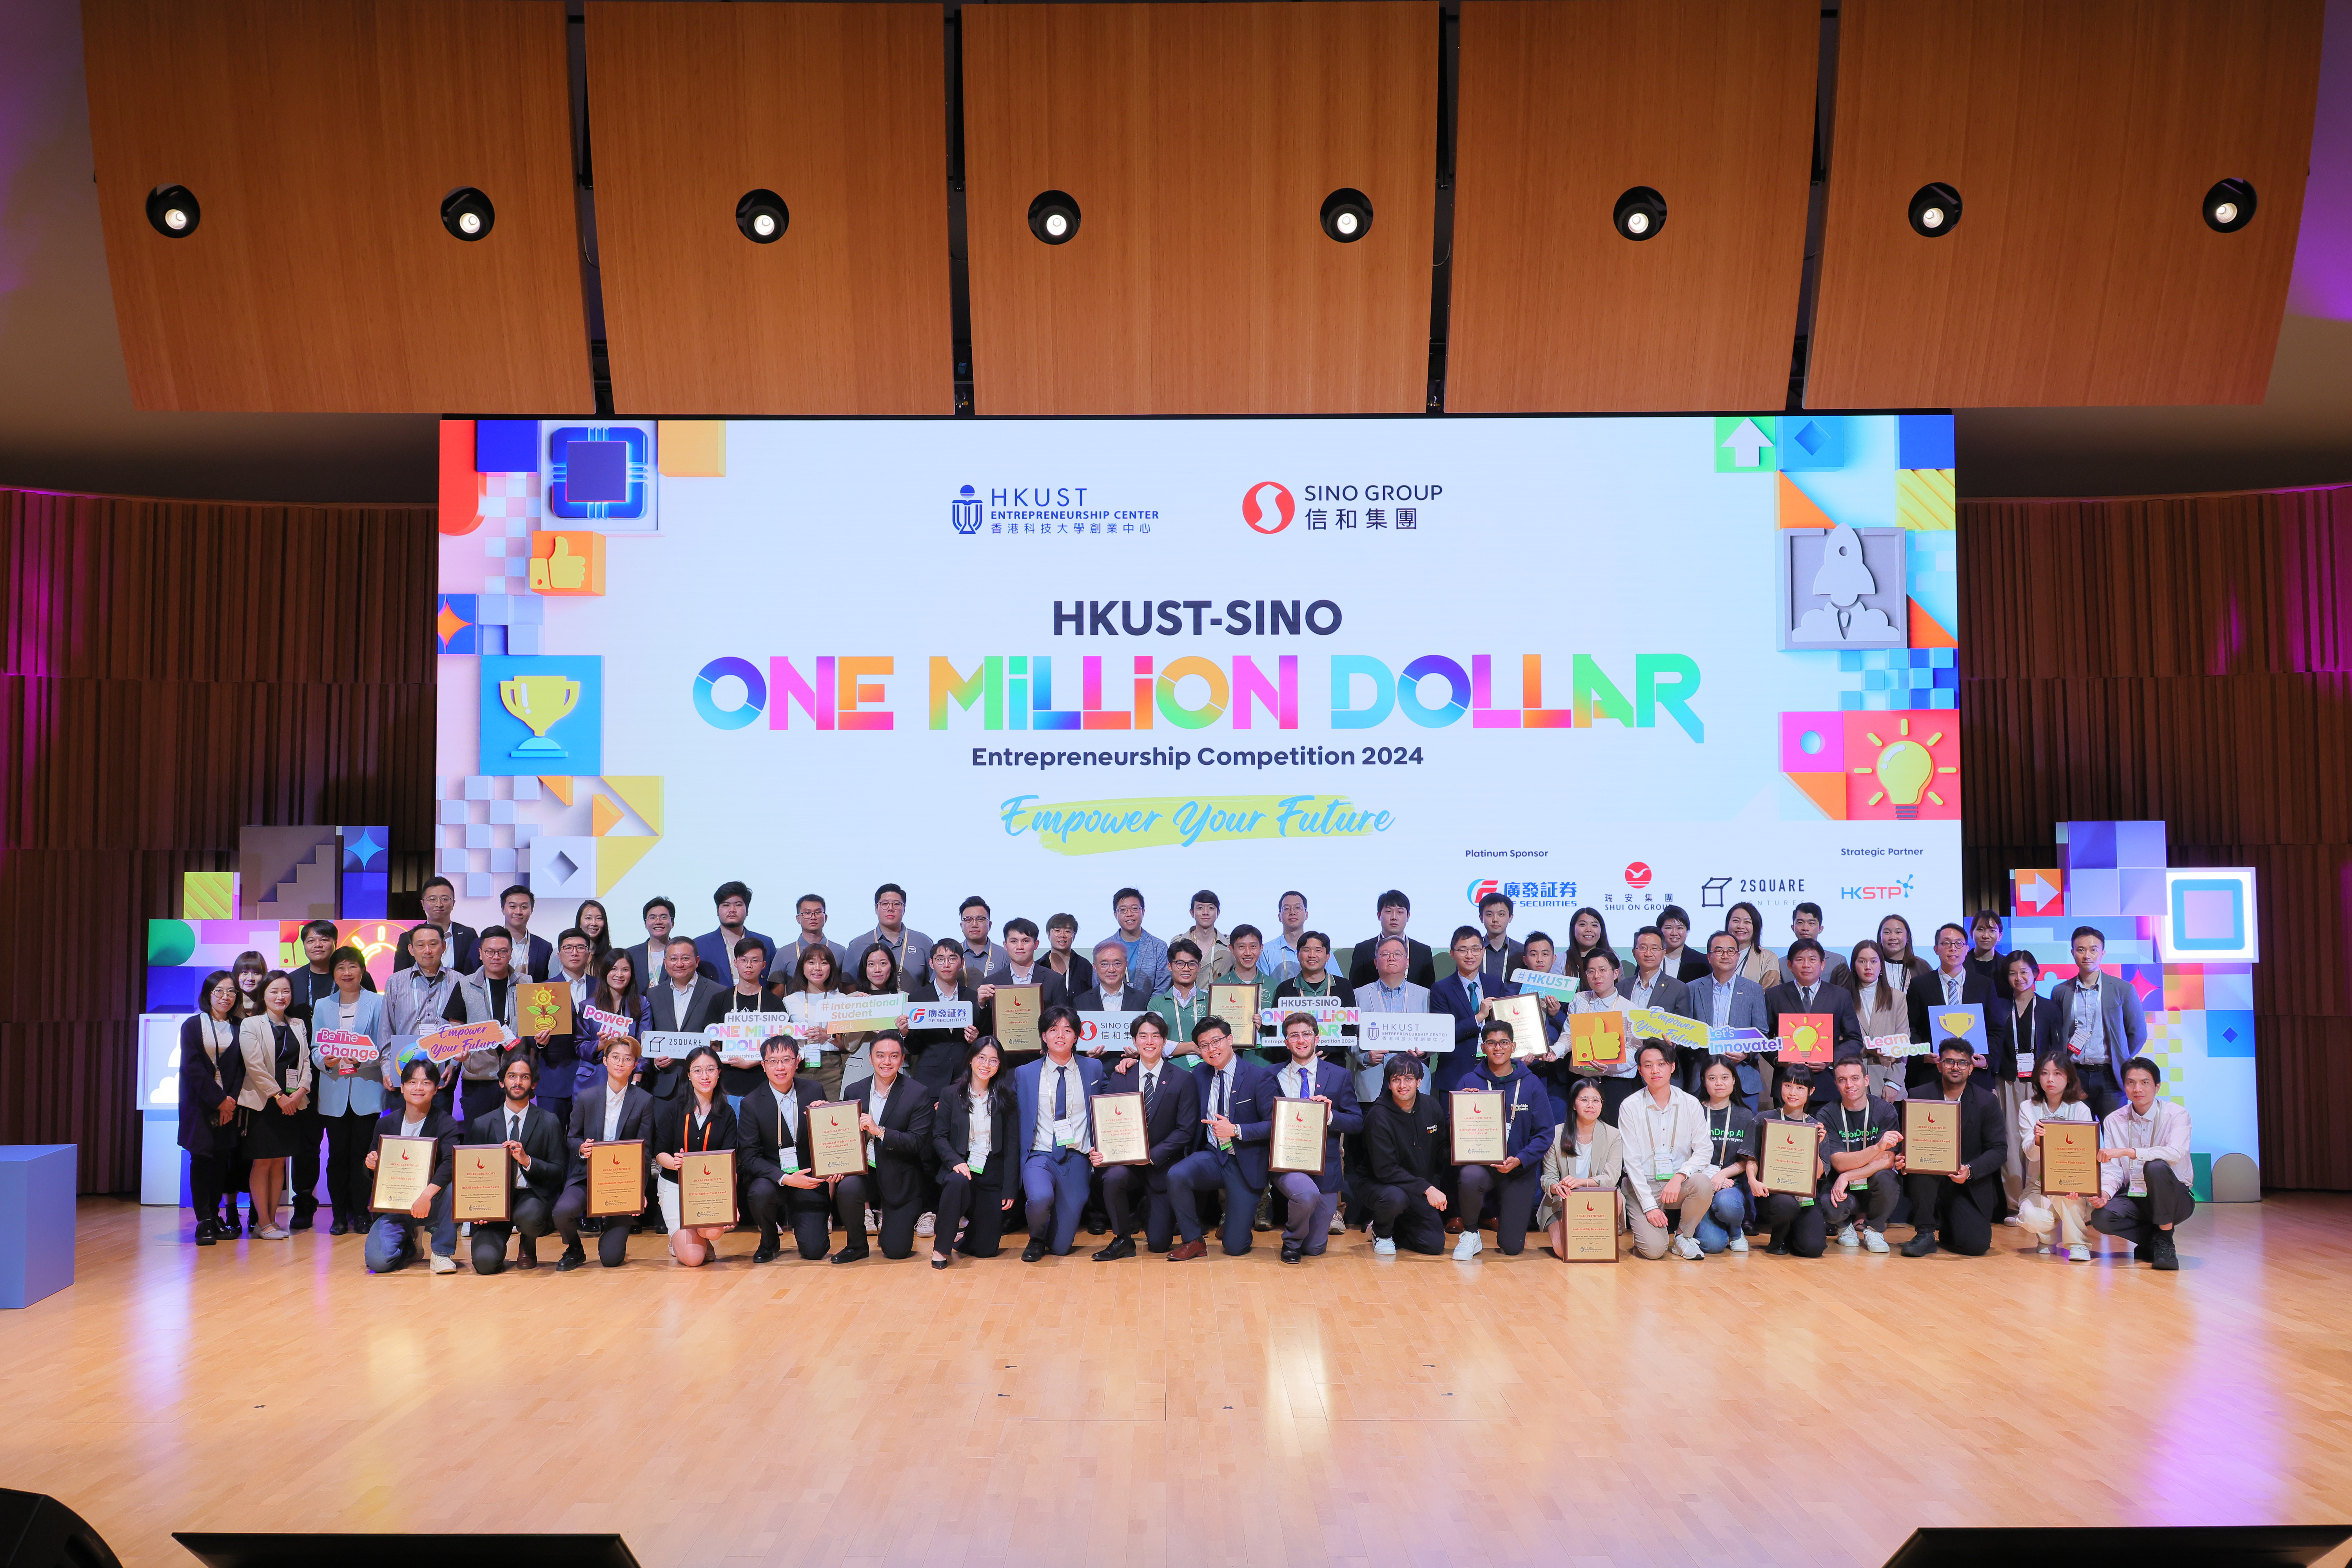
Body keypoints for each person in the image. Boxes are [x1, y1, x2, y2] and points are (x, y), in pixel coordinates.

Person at [1166, 1018, 1277, 1259]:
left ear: (1230, 1040)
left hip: (1244, 1161)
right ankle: (1194, 1241)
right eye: (1204, 1045)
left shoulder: (1259, 1076)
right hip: (1214, 1156)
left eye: (1216, 1041)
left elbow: (1274, 1125)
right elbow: (1169, 1078)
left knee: (1235, 1247)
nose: (1211, 1049)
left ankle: (1236, 1224)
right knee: (1177, 1175)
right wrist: (1133, 1063)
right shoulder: (1200, 1074)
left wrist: (1236, 1130)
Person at [1090, 1014, 1198, 1259]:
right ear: (1134, 1041)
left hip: (1162, 1165)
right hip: (1128, 1163)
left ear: (1164, 1041)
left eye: (1156, 1036)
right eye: (1143, 1036)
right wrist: (1100, 1149)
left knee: (1159, 1245)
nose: (1149, 1042)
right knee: (1113, 1178)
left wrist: (1150, 1157)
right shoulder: (1122, 1075)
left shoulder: (1183, 1079)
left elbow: (1185, 1131)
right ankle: (1123, 1238)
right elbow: (1108, 1121)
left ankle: (1146, 1209)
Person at [1449, 1021, 1554, 1259]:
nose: (1498, 1048)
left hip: (1517, 1167)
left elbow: (1545, 1132)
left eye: (1504, 1042)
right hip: (1482, 1165)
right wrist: (1461, 1107)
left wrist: (1520, 1159)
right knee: (1469, 1176)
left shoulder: (1531, 1084)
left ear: (1513, 1046)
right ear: (1484, 1047)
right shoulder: (1469, 1081)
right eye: (1492, 1043)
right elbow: (1451, 1127)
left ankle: (1507, 1233)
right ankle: (1471, 1234)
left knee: (1512, 1247)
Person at [1264, 1013, 1363, 1264]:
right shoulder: (1271, 1075)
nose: (1300, 1040)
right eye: (1294, 1035)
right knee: (1306, 1195)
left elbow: (1357, 1122)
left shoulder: (1340, 1075)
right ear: (1286, 1043)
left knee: (1316, 1248)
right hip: (1288, 1161)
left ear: (1317, 1038)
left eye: (1306, 1034)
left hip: (1325, 1167)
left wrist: (1330, 1116)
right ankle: (1292, 1242)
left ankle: (1305, 1240)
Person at [307, 945, 390, 1236]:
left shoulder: (378, 1003)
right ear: (333, 973)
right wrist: (324, 1061)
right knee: (337, 1157)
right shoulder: (322, 1005)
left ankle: (362, 1213)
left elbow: (385, 1047)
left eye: (352, 967)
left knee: (363, 1156)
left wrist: (363, 1057)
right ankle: (339, 1216)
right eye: (340, 968)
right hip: (334, 1092)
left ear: (362, 970)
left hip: (368, 1090)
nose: (347, 973)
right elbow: (315, 1049)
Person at [1897, 1037, 2007, 1258]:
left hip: (1965, 1182)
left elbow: (1999, 1150)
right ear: (1939, 1066)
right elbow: (1907, 1141)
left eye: (1962, 1063)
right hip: (1928, 1178)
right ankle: (1926, 1233)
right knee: (1920, 1162)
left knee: (1975, 1247)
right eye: (1949, 1062)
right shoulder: (1919, 1095)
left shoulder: (1987, 1102)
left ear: (1971, 1068)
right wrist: (1902, 1156)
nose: (1955, 1067)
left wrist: (1970, 1169)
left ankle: (1949, 1226)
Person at [555, 1034, 657, 1270]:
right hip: (587, 1176)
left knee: (611, 1259)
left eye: (627, 1059)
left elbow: (645, 1151)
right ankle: (574, 1249)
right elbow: (571, 1138)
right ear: (605, 1061)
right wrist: (581, 1148)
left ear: (635, 1065)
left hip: (622, 1182)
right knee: (562, 1212)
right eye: (615, 1057)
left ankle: (609, 1232)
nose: (621, 1063)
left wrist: (638, 1191)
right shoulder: (587, 1097)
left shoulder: (644, 1101)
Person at [1010, 1005, 1105, 1260]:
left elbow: (1107, 1107)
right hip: (1039, 1154)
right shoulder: (1026, 1073)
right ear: (1044, 1036)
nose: (1060, 1036)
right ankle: (1037, 1238)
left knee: (1062, 1247)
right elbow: (1007, 1109)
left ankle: (1053, 1235)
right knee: (1040, 1198)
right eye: (1053, 1030)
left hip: (1077, 1157)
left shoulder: (1093, 1069)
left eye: (1067, 1030)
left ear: (1077, 1036)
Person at [829, 1031, 931, 1263]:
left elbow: (917, 1142)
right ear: (870, 1058)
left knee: (896, 1251)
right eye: (881, 1056)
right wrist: (823, 1113)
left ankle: (894, 1228)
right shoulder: (854, 1090)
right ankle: (857, 1245)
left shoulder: (918, 1093)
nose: (887, 1062)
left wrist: (880, 1131)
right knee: (847, 1188)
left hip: (900, 1175)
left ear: (902, 1058)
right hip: (866, 1170)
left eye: (894, 1056)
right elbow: (843, 1132)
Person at [2090, 1056, 2193, 1271]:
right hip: (2135, 1195)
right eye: (2131, 1083)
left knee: (2156, 1167)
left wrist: (2129, 1152)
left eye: (2145, 1082)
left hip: (2176, 1198)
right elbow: (2113, 1169)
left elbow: (2175, 1153)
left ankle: (2165, 1240)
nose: (2137, 1089)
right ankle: (2151, 1240)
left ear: (2157, 1087)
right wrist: (2106, 1193)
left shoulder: (2177, 1114)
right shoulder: (2114, 1120)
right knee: (2102, 1217)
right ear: (2124, 1086)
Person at [738, 1034, 835, 1263]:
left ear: (797, 1061)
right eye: (772, 1061)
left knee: (815, 1252)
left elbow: (828, 1137)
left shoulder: (814, 1090)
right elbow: (750, 1157)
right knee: (759, 1192)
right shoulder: (751, 1103)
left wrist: (829, 1113)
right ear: (763, 1066)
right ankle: (769, 1240)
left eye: (786, 1060)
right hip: (773, 1178)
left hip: (808, 1178)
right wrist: (786, 1178)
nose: (780, 1067)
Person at [463, 1055, 565, 1272]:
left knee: (530, 1217)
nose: (517, 1082)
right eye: (512, 1076)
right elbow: (468, 1173)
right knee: (485, 1264)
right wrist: (475, 1209)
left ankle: (528, 1243)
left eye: (525, 1077)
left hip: (530, 1197)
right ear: (502, 1082)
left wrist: (528, 1161)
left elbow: (559, 1172)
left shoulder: (549, 1121)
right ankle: (496, 1246)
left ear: (534, 1084)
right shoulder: (482, 1124)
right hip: (492, 1201)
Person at [361, 1057, 461, 1274]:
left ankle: (441, 1253)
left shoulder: (446, 1122)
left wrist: (426, 1196)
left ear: (436, 1089)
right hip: (395, 1205)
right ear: (403, 1087)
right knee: (378, 1263)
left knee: (455, 1188)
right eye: (412, 1082)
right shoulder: (385, 1124)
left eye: (426, 1083)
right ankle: (409, 1242)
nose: (418, 1088)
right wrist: (371, 1165)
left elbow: (451, 1164)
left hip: (432, 1204)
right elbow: (372, 1170)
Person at [1617, 1041, 1715, 1261]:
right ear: (1640, 1071)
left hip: (1675, 1185)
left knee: (1702, 1183)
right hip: (1641, 1186)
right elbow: (1631, 1161)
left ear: (1672, 1067)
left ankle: (1684, 1237)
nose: (1655, 1071)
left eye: (1661, 1064)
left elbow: (1704, 1149)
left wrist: (1680, 1176)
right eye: (1648, 1065)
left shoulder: (1690, 1103)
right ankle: (1646, 1228)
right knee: (1654, 1251)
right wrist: (1650, 1207)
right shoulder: (1630, 1106)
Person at [236, 972, 311, 1241]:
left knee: (281, 1162)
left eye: (286, 991)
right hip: (264, 1104)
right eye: (274, 991)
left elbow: (306, 1064)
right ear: (264, 995)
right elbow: (254, 1066)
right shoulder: (251, 1025)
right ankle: (263, 1222)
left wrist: (299, 1093)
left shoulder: (298, 1024)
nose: (281, 997)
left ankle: (272, 1221)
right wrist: (279, 1096)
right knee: (263, 1162)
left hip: (293, 1103)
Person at [932, 1037, 1019, 1266]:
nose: (986, 1065)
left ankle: (965, 1237)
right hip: (962, 1165)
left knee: (986, 1250)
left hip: (992, 1171)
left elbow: (1012, 1145)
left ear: (1000, 1066)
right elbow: (939, 1137)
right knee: (957, 1182)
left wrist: (1010, 1187)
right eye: (981, 1058)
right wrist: (954, 1162)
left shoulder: (1006, 1096)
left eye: (993, 1060)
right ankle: (941, 1247)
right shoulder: (950, 1094)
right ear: (971, 1059)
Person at [648, 1045, 735, 1267]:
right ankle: (678, 1241)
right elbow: (660, 1153)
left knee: (715, 1232)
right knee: (693, 1260)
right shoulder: (673, 1108)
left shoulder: (727, 1113)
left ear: (719, 1072)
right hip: (675, 1185)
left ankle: (701, 1236)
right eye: (697, 1070)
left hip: (709, 1188)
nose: (704, 1076)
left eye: (710, 1069)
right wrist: (673, 1162)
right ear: (688, 1074)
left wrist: (731, 1204)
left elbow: (730, 1163)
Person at [2049, 926, 2146, 1120]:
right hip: (2075, 1075)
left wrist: (2122, 1059)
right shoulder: (2061, 991)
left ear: (2103, 953)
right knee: (2077, 1139)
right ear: (2073, 953)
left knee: (2114, 1137)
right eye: (2081, 950)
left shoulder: (2123, 989)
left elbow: (2138, 1034)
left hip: (2111, 1076)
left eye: (2094, 950)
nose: (2087, 955)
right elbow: (2056, 1034)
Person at [1990, 949, 2060, 1217]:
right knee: (2009, 1140)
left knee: (2037, 1139)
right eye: (2012, 973)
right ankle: (2014, 1204)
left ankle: (2038, 1201)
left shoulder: (2050, 1008)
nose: (2018, 978)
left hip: (2041, 1083)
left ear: (2036, 974)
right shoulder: (1998, 1005)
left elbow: (2056, 1048)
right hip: (2006, 1081)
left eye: (2024, 972)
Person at [1357, 1054, 1447, 1256]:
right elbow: (1385, 1170)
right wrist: (1427, 1188)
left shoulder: (1432, 1106)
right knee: (1394, 1198)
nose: (1402, 1085)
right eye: (1396, 1080)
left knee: (1434, 1245)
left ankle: (1393, 1227)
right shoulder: (1378, 1116)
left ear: (1419, 1082)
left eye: (1408, 1079)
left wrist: (1467, 1150)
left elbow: (1442, 1149)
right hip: (1382, 1185)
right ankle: (1381, 1233)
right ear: (1389, 1085)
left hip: (1416, 1187)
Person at [179, 971, 245, 1245]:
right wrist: (218, 1100)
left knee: (221, 1161)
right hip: (199, 1105)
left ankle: (216, 1216)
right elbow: (192, 1068)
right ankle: (204, 1220)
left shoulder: (241, 1027)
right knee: (202, 1159)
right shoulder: (193, 1025)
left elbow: (242, 1069)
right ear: (208, 995)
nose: (225, 997)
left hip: (229, 1106)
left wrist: (230, 1101)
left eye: (231, 992)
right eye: (219, 991)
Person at [2016, 1052, 2098, 1261]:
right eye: (2045, 1073)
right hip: (2038, 1185)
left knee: (2067, 1195)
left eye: (2057, 1073)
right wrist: (2037, 1140)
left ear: (2069, 1077)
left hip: (2072, 1183)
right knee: (2029, 1216)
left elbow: (2087, 1155)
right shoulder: (2028, 1108)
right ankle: (2049, 1237)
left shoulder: (2080, 1110)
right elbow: (2030, 1155)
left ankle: (2079, 1244)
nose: (2050, 1080)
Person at [1537, 1076, 1627, 1261]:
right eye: (1584, 1100)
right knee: (1567, 1251)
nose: (1591, 1105)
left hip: (1598, 1199)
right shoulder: (1556, 1134)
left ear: (1602, 1105)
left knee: (1616, 1195)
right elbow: (1548, 1178)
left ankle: (1602, 1230)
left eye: (1596, 1100)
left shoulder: (1613, 1135)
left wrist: (1583, 1182)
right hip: (1563, 1202)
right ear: (1574, 1105)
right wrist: (1556, 1187)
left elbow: (1611, 1178)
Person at [1764, 938, 1863, 1105]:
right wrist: (1780, 1059)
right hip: (1788, 1083)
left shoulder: (1840, 996)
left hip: (1827, 1084)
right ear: (1789, 965)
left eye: (1812, 959)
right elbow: (1764, 1037)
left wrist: (1831, 1059)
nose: (1806, 965)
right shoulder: (1775, 995)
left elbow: (1854, 1039)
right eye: (1800, 960)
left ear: (1823, 964)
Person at [1819, 1057, 1901, 1253]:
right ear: (1836, 1084)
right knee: (1828, 1206)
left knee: (1888, 1179)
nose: (1849, 1085)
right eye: (1842, 1080)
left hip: (1868, 1183)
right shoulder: (1827, 1114)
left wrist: (1848, 1176)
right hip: (1842, 1186)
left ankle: (1875, 1229)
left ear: (1866, 1080)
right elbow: (1839, 1162)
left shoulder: (1885, 1110)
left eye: (1855, 1078)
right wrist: (1877, 1148)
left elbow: (1888, 1160)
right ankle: (1844, 1226)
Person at [1905, 922, 1996, 1093]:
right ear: (1936, 949)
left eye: (1959, 944)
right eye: (1946, 943)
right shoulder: (1920, 985)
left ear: (1967, 949)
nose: (1953, 949)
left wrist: (1987, 1061)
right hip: (1932, 1073)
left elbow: (1995, 1029)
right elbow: (1911, 1027)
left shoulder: (1984, 985)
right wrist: (1922, 1055)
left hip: (1974, 1074)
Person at [1750, 1069, 1828, 1257]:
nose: (1793, 1093)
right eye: (1788, 1086)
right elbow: (1751, 1159)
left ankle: (1795, 1232)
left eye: (1800, 1088)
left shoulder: (1816, 1127)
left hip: (1804, 1197)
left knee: (1813, 1249)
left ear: (1811, 1091)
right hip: (1772, 1195)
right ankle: (1779, 1238)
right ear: (1781, 1087)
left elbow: (1818, 1175)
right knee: (1786, 1205)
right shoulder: (1764, 1119)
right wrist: (1753, 1181)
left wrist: (1817, 1145)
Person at [448, 928, 523, 1122]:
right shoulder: (465, 985)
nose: (496, 957)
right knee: (478, 1142)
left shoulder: (527, 984)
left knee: (514, 1140)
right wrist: (456, 1060)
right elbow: (455, 1030)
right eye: (490, 952)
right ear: (481, 954)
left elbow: (533, 1031)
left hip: (516, 1077)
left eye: (503, 951)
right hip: (478, 1078)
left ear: (511, 953)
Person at [1689, 930, 1769, 1110]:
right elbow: (1687, 1031)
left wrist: (1746, 1054)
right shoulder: (1693, 989)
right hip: (1702, 1074)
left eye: (1731, 951)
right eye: (1719, 951)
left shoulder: (1753, 990)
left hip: (1742, 1076)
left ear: (1738, 956)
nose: (1725, 956)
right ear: (1709, 957)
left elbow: (1762, 1032)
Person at [1352, 933, 1437, 1100]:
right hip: (1373, 1078)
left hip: (1415, 1076)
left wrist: (1425, 1052)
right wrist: (1365, 1056)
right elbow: (1349, 1036)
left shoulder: (1426, 995)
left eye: (1398, 954)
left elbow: (1436, 1035)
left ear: (1407, 962)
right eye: (1385, 954)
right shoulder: (1358, 995)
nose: (1391, 958)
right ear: (1376, 963)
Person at [645, 936, 729, 1101]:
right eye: (673, 959)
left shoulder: (718, 992)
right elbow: (646, 1035)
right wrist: (654, 1061)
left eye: (685, 958)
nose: (679, 964)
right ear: (665, 962)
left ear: (697, 961)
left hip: (705, 1086)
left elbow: (723, 1040)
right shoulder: (653, 994)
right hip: (664, 1087)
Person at [1567, 948, 1641, 1121]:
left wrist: (1610, 1064)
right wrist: (1556, 1051)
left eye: (1603, 970)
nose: (1597, 976)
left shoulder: (1630, 1009)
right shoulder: (1579, 999)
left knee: (1614, 1136)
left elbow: (1635, 1051)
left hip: (1616, 1084)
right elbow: (1568, 1035)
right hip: (1582, 1081)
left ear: (1616, 973)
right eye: (1591, 971)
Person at [1689, 1061, 1755, 1254]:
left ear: (1734, 1081)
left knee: (1727, 1204)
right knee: (1712, 1246)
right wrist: (1707, 1177)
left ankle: (1736, 1232)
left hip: (1730, 1184)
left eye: (1725, 1077)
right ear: (1704, 1081)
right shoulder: (1694, 1111)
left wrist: (1722, 1175)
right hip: (1698, 1183)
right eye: (1712, 1078)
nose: (1719, 1083)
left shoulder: (1745, 1115)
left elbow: (1748, 1159)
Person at [537, 927, 597, 1129]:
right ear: (559, 954)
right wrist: (539, 1042)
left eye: (581, 947)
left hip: (597, 1077)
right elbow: (529, 1035)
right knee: (552, 1143)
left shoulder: (604, 987)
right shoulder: (542, 990)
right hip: (555, 1078)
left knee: (592, 1142)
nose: (575, 952)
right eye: (568, 947)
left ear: (589, 953)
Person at [715, 936, 788, 1103]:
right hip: (727, 1084)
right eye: (744, 960)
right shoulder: (720, 1000)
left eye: (755, 961)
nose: (749, 965)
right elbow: (712, 1041)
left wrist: (754, 1061)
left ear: (763, 965)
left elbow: (783, 1043)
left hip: (764, 1083)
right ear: (736, 963)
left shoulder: (774, 1002)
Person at [906, 939, 982, 1091]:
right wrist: (905, 1034)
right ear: (931, 963)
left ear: (962, 963)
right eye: (940, 959)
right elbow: (915, 1049)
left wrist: (976, 1040)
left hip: (966, 1079)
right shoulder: (918, 998)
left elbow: (985, 1038)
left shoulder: (973, 998)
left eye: (953, 959)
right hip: (930, 1080)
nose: (946, 965)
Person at [781, 944, 851, 1100]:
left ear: (831, 968)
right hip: (799, 1065)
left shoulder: (841, 1000)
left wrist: (828, 1036)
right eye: (811, 963)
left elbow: (847, 1045)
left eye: (824, 963)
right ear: (802, 967)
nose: (817, 968)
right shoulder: (790, 1001)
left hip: (831, 1066)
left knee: (830, 1114)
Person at [1844, 939, 1909, 1104]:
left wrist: (1894, 1083)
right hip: (1851, 1084)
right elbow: (1839, 1043)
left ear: (1881, 965)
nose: (1868, 967)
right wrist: (1867, 1048)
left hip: (1887, 1083)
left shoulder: (1897, 998)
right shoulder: (1842, 998)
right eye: (1862, 961)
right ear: (1854, 965)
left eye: (1874, 961)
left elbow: (1904, 1044)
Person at [1432, 926, 1501, 1070]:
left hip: (1494, 1068)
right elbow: (1444, 1035)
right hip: (1456, 1071)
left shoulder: (1496, 985)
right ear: (1453, 954)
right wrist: (1479, 1017)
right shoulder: (1441, 989)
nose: (1470, 956)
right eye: (1463, 950)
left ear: (1483, 952)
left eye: (1475, 950)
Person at [844, 883, 932, 985]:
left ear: (904, 909)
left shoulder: (923, 942)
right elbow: (847, 984)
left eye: (897, 904)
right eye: (885, 904)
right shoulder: (857, 945)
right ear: (876, 908)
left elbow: (933, 982)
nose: (891, 909)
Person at [1147, 939, 1216, 1063]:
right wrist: (1192, 1047)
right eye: (1180, 963)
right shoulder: (1156, 1004)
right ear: (1170, 966)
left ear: (1199, 967)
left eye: (1192, 964)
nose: (1186, 969)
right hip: (1169, 1073)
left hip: (1208, 1070)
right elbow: (1154, 1044)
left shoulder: (1211, 1001)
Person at [1348, 889, 1435, 988]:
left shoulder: (1423, 952)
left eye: (1400, 912)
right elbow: (1355, 989)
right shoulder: (1363, 950)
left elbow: (1429, 991)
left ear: (1408, 916)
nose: (1394, 917)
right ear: (1379, 915)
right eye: (1389, 911)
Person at [982, 916, 1070, 1011]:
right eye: (1014, 941)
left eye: (1026, 941)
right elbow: (986, 1024)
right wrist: (982, 1005)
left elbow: (1063, 1018)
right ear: (1006, 945)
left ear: (1036, 945)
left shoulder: (1055, 981)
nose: (1020, 947)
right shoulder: (991, 983)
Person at [395, 875, 479, 973]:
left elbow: (476, 974)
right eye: (432, 899)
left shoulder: (468, 934)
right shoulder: (407, 938)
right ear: (423, 904)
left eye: (445, 899)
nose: (439, 904)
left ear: (453, 904)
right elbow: (400, 977)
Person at [694, 880, 774, 982]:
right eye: (726, 905)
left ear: (747, 910)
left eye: (738, 905)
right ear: (717, 910)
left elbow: (773, 984)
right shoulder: (699, 945)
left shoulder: (766, 943)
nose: (732, 910)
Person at [767, 892, 847, 986]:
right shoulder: (784, 953)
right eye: (807, 913)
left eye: (818, 913)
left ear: (825, 918)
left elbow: (845, 990)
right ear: (798, 919)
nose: (813, 917)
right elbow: (777, 995)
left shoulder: (840, 951)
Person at [1108, 887, 1171, 993]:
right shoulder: (1105, 948)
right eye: (1123, 910)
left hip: (1149, 1008)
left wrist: (1149, 1009)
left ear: (1143, 911)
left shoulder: (1158, 947)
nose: (1129, 914)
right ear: (1116, 914)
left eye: (1134, 908)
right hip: (1112, 1008)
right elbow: (1099, 986)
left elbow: (1162, 988)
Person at [1073, 938, 1150, 1016]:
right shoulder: (1081, 1002)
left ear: (1126, 965)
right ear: (1095, 967)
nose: (1111, 970)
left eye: (1117, 964)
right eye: (1104, 964)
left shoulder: (1142, 1000)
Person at [495, 884, 554, 981]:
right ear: (503, 909)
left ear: (532, 910)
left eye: (524, 907)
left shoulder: (544, 947)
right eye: (513, 906)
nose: (518, 912)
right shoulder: (484, 944)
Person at [1786, 903, 1851, 990]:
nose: (1805, 928)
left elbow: (1843, 998)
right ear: (1793, 927)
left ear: (1820, 929)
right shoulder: (1781, 964)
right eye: (1800, 923)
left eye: (1812, 923)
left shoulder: (1839, 962)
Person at [626, 897, 678, 996]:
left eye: (664, 917)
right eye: (652, 918)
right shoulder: (631, 955)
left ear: (673, 923)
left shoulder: (681, 956)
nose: (658, 922)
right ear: (646, 924)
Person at [1473, 890, 1523, 994]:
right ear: (1481, 918)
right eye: (1489, 914)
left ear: (1510, 918)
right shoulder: (1472, 951)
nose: (1495, 920)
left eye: (1501, 914)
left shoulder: (1522, 952)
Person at [1725, 902, 1782, 991]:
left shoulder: (1768, 958)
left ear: (1756, 927)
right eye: (1736, 921)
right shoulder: (1716, 955)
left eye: (1747, 922)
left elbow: (1768, 996)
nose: (1740, 926)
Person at [1178, 890, 1230, 979]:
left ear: (1218, 913)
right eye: (1200, 908)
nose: (1206, 912)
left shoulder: (1230, 944)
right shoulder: (1179, 943)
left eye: (1211, 908)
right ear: (1192, 913)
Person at [1040, 912, 1095, 996]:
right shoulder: (1039, 966)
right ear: (1049, 935)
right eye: (1057, 931)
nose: (1062, 935)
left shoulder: (1085, 966)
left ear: (1074, 936)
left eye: (1068, 931)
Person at [954, 895, 1009, 978]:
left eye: (980, 919)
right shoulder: (952, 954)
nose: (974, 925)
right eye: (968, 920)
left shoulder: (1004, 956)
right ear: (962, 926)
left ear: (990, 925)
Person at [1559, 907, 1610, 992]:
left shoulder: (1613, 958)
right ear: (1573, 929)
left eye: (1594, 925)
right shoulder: (1561, 960)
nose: (1588, 930)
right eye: (1583, 925)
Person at [1265, 890, 1310, 979]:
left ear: (1306, 915)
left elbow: (1335, 982)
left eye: (1298, 908)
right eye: (1286, 909)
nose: (1292, 912)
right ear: (1280, 917)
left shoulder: (1320, 949)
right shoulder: (1266, 951)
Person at [1876, 914, 1931, 988]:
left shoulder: (1921, 966)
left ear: (1908, 937)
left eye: (1898, 932)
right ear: (1880, 937)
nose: (1893, 938)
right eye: (1887, 933)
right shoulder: (1873, 965)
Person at [1657, 905, 1707, 983]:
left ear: (1687, 931)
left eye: (1680, 928)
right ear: (1660, 931)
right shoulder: (1651, 959)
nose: (1674, 933)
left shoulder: (1701, 961)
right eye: (1669, 928)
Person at [1962, 910, 2007, 991]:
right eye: (1980, 930)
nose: (1986, 936)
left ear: (2000, 936)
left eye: (1992, 931)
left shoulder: (2007, 966)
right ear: (1971, 933)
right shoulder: (1961, 964)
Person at [573, 898, 613, 964]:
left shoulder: (612, 956)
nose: (594, 923)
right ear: (579, 922)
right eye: (588, 918)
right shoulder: (565, 954)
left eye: (599, 918)